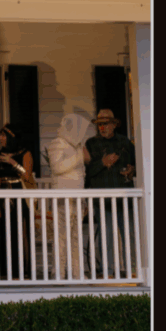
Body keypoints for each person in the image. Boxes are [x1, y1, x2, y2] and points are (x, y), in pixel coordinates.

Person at [83, 109, 137, 277]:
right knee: (106, 237)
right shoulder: (91, 143)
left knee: (129, 236)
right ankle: (108, 271)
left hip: (124, 197)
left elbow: (136, 163)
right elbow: (87, 171)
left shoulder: (125, 142)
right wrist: (102, 162)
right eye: (99, 124)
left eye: (105, 123)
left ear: (114, 124)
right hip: (103, 200)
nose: (102, 127)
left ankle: (132, 270)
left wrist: (131, 170)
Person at [47, 114, 93, 281]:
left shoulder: (77, 145)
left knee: (76, 236)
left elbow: (82, 173)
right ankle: (58, 272)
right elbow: (58, 167)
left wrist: (84, 200)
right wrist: (78, 157)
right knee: (61, 236)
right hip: (63, 197)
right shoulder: (57, 143)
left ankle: (77, 272)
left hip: (77, 197)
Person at [0, 124, 34, 280]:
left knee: (20, 230)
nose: (1, 138)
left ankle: (23, 270)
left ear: (11, 137)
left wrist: (12, 162)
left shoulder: (24, 153)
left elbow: (27, 176)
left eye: (3, 135)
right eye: (0, 135)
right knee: (4, 230)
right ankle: (5, 270)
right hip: (3, 192)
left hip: (19, 192)